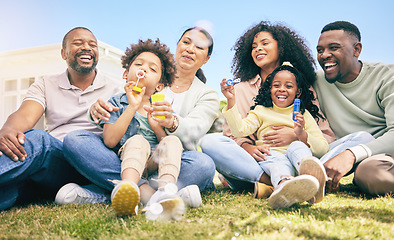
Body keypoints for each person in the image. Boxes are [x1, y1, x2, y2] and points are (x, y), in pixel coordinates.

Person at [57, 27, 219, 210]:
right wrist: (94, 110)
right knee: (76, 140)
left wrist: (167, 123)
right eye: (186, 42)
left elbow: (193, 129)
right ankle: (159, 195)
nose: (190, 49)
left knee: (204, 164)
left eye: (199, 47)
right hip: (123, 157)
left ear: (206, 58)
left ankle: (107, 193)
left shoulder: (206, 94)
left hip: (168, 162)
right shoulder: (138, 84)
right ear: (178, 45)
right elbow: (114, 102)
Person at [200, 20, 335, 196]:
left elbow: (325, 138)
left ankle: (274, 181)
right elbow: (233, 135)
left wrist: (297, 135)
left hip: (300, 155)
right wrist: (249, 147)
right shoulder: (240, 90)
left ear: (282, 48)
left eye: (265, 43)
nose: (258, 49)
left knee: (356, 139)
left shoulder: (303, 89)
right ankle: (275, 181)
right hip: (262, 159)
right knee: (210, 142)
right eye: (254, 46)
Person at [0, 27, 122, 211]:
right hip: (57, 163)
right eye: (78, 43)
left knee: (40, 140)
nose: (87, 48)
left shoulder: (116, 90)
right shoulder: (45, 84)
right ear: (64, 54)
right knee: (17, 184)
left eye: (92, 45)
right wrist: (7, 130)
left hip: (94, 163)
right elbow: (25, 114)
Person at [97, 38, 186, 220]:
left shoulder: (162, 108)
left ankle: (165, 191)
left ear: (159, 86)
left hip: (155, 167)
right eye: (138, 64)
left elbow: (168, 149)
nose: (144, 69)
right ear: (125, 74)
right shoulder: (116, 102)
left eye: (153, 69)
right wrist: (131, 107)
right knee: (138, 140)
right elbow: (110, 141)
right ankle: (128, 190)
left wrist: (157, 127)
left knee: (174, 141)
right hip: (126, 162)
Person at [221, 62, 329, 209]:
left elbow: (323, 148)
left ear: (298, 92)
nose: (282, 89)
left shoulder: (302, 115)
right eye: (276, 85)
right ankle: (284, 185)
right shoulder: (260, 110)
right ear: (270, 89)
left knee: (297, 146)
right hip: (271, 157)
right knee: (275, 159)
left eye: (289, 86)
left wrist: (300, 134)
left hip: (297, 162)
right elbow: (239, 130)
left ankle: (309, 175)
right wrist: (231, 100)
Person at [314, 21, 394, 196]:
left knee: (371, 174)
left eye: (334, 48)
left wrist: (351, 155)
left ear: (357, 49)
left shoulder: (386, 76)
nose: (324, 55)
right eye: (320, 50)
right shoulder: (316, 81)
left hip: (384, 155)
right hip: (346, 153)